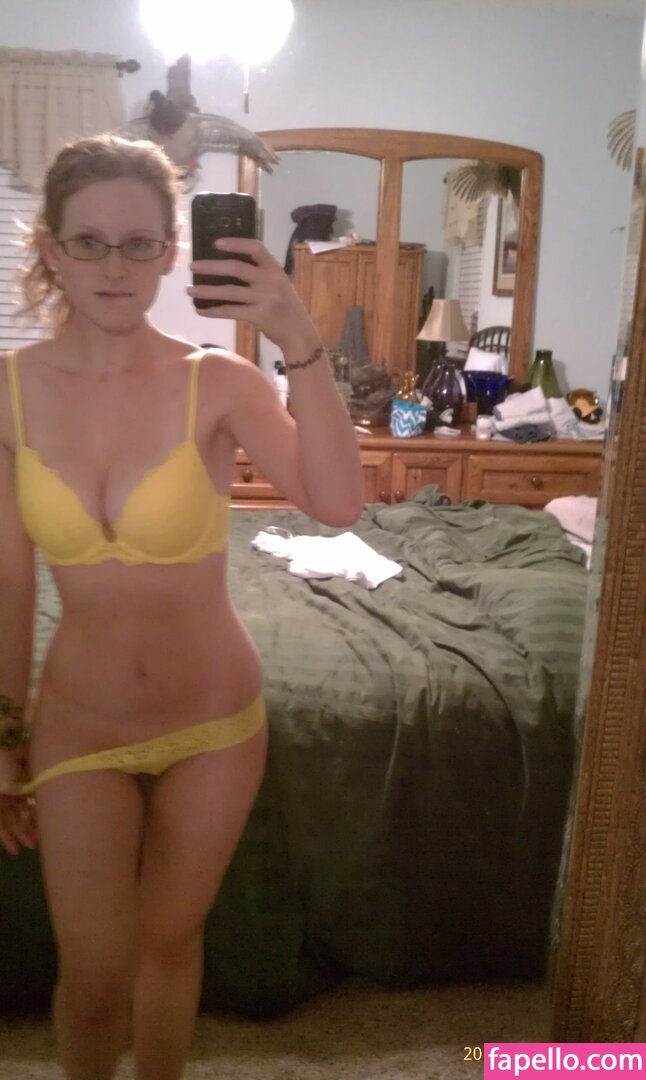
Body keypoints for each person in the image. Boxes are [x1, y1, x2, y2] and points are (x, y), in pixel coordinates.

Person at [0, 134, 363, 1080]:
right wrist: (4, 732)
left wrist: (295, 333)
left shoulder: (219, 383)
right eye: (89, 242)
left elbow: (337, 503)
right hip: (78, 724)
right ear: (51, 249)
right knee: (92, 969)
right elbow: (8, 580)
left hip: (214, 720)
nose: (114, 266)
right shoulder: (10, 394)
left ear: (171, 253)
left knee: (168, 942)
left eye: (139, 243)